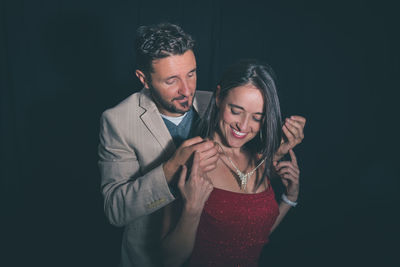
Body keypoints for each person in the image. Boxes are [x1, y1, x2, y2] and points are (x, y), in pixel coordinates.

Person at [98, 22, 305, 267]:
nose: (187, 90)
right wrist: (171, 167)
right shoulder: (117, 121)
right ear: (144, 79)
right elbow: (115, 210)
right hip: (152, 257)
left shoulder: (219, 104)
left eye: (191, 73)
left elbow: (241, 180)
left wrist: (276, 153)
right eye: (171, 80)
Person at [161, 59, 303, 267]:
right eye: (236, 111)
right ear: (218, 97)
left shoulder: (259, 160)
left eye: (257, 117)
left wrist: (290, 198)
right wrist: (192, 209)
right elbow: (168, 260)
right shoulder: (192, 159)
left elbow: (253, 236)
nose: (243, 126)